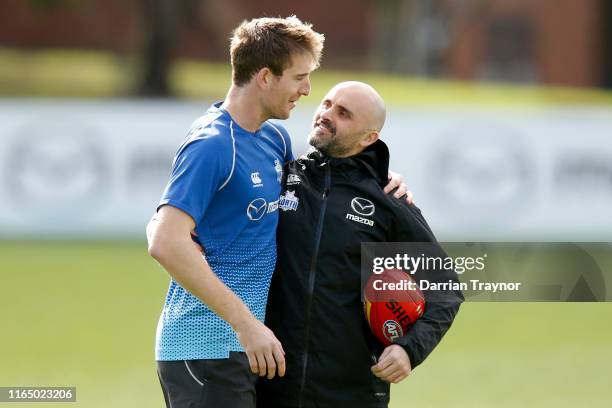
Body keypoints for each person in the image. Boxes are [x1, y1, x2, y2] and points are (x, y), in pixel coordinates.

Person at [146, 17, 408, 408]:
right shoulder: (213, 144)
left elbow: (315, 191)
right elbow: (165, 241)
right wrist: (247, 324)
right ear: (266, 77)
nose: (306, 89)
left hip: (248, 348)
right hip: (203, 347)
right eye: (299, 78)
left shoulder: (274, 138)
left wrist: (383, 181)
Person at [256, 81, 464, 408]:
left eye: (343, 114)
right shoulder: (283, 179)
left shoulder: (389, 201)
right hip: (270, 387)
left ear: (369, 138)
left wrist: (409, 348)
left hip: (351, 393)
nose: (325, 115)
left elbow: (445, 285)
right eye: (326, 104)